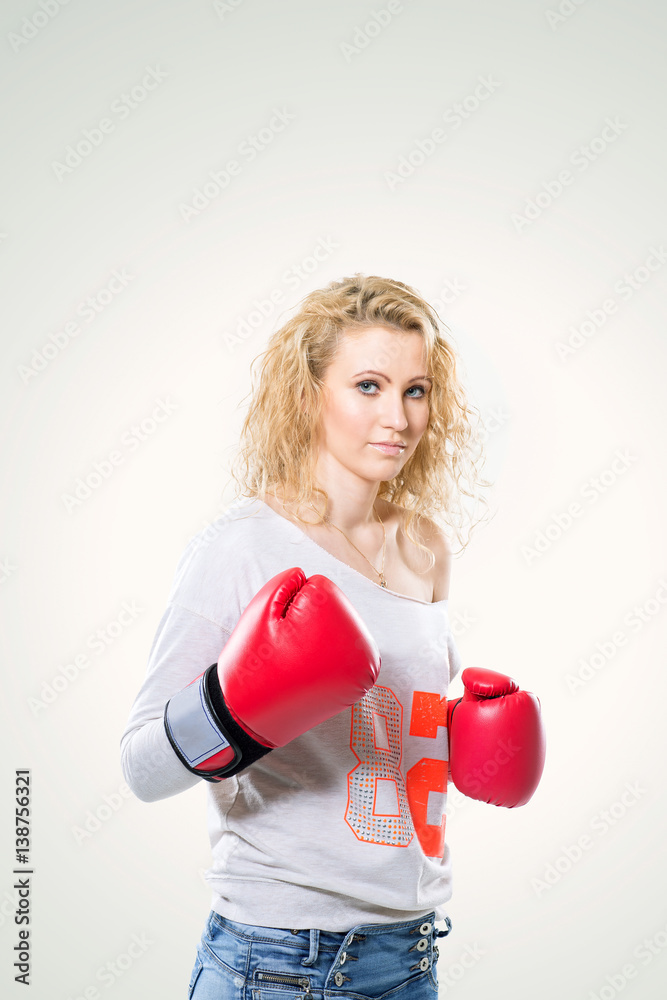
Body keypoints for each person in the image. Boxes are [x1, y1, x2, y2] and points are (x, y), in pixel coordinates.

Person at [120, 273, 545, 998]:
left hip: (409, 955)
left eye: (415, 390)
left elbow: (378, 729)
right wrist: (237, 705)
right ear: (309, 392)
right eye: (368, 386)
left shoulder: (424, 546)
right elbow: (141, 767)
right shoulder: (243, 546)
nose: (399, 419)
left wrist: (466, 737)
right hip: (277, 961)